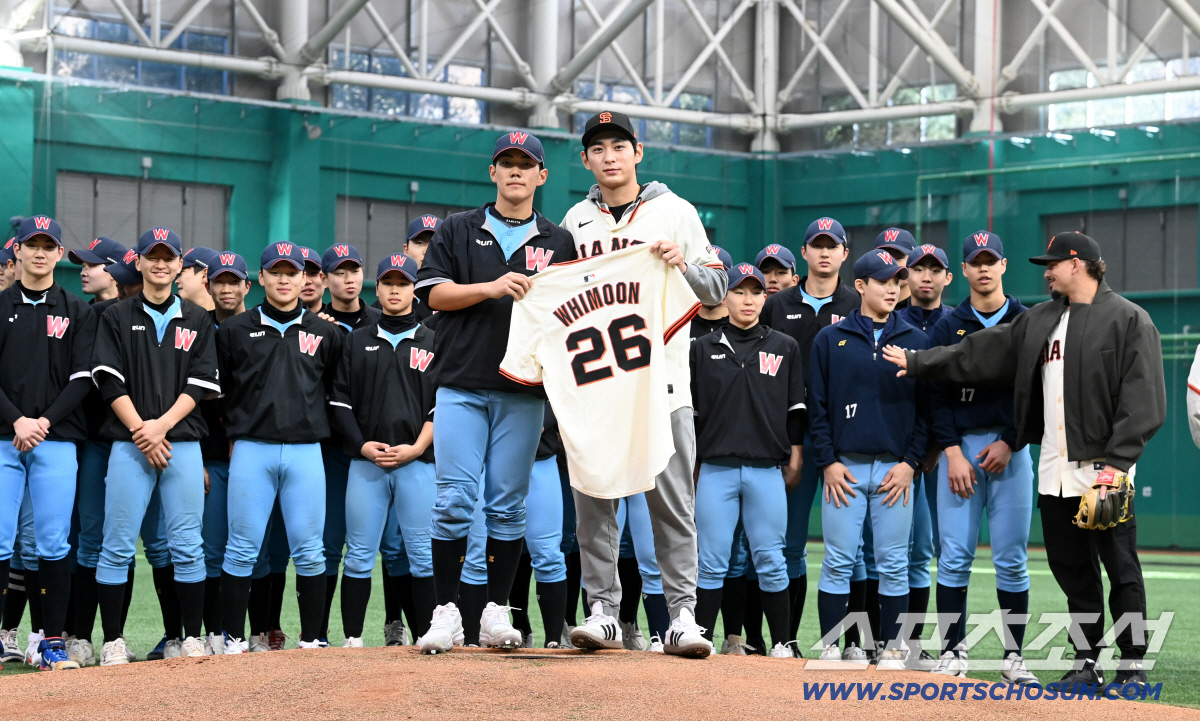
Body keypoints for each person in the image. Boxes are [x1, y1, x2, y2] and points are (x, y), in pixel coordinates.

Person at [883, 231, 1165, 690]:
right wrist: (920, 362)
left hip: (1105, 470)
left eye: (1053, 264)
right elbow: (980, 351)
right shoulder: (1041, 319)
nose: (1047, 272)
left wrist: (1116, 466)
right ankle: (1085, 662)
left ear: (1079, 264)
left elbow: (1145, 403)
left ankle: (1132, 664)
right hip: (1055, 471)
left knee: (1121, 569)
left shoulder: (1129, 319)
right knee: (1073, 572)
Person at [560, 111, 725, 658]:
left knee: (673, 503)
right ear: (585, 159)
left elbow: (717, 288)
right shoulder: (576, 219)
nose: (609, 156)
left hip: (664, 385)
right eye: (597, 148)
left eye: (618, 146)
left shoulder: (674, 211)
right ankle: (603, 611)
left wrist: (685, 266)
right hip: (598, 387)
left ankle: (682, 616)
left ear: (638, 152)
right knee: (594, 502)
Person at [414, 130, 576, 654]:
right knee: (453, 501)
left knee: (508, 507)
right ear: (493, 172)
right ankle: (445, 614)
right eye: (505, 163)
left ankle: (494, 613)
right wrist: (491, 286)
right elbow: (433, 292)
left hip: (523, 391)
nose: (515, 171)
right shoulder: (457, 229)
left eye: (525, 164)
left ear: (541, 176)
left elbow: (574, 313)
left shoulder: (559, 241)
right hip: (461, 384)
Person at [91, 227, 220, 665]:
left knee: (187, 544)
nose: (161, 264)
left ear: (180, 264)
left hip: (180, 443)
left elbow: (200, 384)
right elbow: (109, 379)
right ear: (140, 262)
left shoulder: (199, 318)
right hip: (130, 444)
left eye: (169, 257)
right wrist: (142, 431)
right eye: (153, 256)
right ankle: (112, 641)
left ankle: (190, 637)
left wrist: (159, 427)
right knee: (118, 543)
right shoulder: (115, 315)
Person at [915, 232, 1037, 685]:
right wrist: (951, 451)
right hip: (961, 451)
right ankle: (952, 651)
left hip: (1013, 452)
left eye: (991, 261)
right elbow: (936, 394)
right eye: (975, 262)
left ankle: (1014, 657)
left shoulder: (1027, 320)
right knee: (953, 557)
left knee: (1011, 558)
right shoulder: (950, 324)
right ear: (962, 271)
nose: (983, 269)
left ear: (1003, 266)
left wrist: (1011, 440)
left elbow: (1035, 393)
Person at [216, 242, 343, 654]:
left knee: (310, 550)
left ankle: (312, 639)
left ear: (305, 278)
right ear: (262, 278)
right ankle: (233, 639)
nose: (286, 279)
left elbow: (334, 393)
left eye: (293, 272)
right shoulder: (235, 330)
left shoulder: (325, 332)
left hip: (307, 451)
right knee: (242, 548)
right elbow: (219, 395)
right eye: (277, 271)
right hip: (252, 448)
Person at [809, 249, 929, 669]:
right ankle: (829, 646)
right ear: (860, 286)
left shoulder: (917, 340)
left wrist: (911, 463)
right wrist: (826, 461)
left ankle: (893, 649)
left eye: (898, 281)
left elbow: (927, 411)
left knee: (894, 563)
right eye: (883, 281)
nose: (893, 288)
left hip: (896, 470)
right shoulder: (830, 339)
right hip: (845, 467)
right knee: (839, 560)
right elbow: (817, 407)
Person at [691, 264, 805, 658]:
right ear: (724, 297)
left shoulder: (784, 345)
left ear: (765, 298)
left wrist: (796, 454)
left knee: (771, 560)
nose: (748, 299)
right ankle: (701, 637)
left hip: (765, 469)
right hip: (716, 469)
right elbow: (689, 414)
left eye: (756, 292)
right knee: (711, 561)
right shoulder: (700, 348)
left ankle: (783, 643)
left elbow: (796, 411)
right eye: (739, 292)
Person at [0, 216, 97, 671]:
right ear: (15, 251)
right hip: (4, 437)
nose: (39, 253)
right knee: (1, 541)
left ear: (60, 254)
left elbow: (83, 378)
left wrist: (40, 421)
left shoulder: (77, 311)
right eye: (31, 245)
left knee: (53, 543)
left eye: (48, 246)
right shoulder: (0, 307)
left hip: (56, 440)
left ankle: (51, 643)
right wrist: (17, 419)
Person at [759, 217, 859, 657]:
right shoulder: (775, 304)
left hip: (844, 439)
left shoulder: (858, 302)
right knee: (791, 543)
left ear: (844, 253)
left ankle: (853, 642)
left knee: (851, 547)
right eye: (815, 245)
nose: (823, 252)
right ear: (804, 253)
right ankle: (789, 639)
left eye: (831, 245)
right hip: (790, 439)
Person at [330, 254, 437, 647]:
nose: (395, 290)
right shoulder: (356, 340)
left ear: (414, 289)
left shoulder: (431, 338)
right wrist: (362, 445)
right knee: (358, 554)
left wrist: (417, 447)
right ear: (378, 287)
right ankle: (354, 640)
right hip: (367, 463)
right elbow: (339, 402)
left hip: (417, 462)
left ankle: (429, 636)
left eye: (403, 282)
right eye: (388, 283)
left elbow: (440, 405)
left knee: (422, 555)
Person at [67, 236, 131, 667]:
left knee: (123, 543)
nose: (84, 271)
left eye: (93, 264)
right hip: (93, 440)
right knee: (90, 539)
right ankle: (79, 635)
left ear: (114, 271)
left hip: (128, 442)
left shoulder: (129, 314)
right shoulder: (83, 314)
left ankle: (116, 637)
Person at [315, 242, 381, 643]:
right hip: (328, 448)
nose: (349, 278)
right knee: (328, 544)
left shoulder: (379, 321)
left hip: (369, 449)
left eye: (354, 270)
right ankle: (318, 633)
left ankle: (394, 628)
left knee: (390, 548)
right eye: (339, 271)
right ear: (324, 279)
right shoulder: (312, 325)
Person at [892, 243, 953, 664]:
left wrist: (935, 447)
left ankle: (912, 645)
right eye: (918, 269)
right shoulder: (893, 323)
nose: (926, 276)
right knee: (888, 551)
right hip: (902, 453)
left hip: (943, 450)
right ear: (906, 276)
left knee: (925, 552)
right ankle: (881, 640)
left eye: (935, 269)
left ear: (949, 277)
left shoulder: (955, 324)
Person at [197, 251, 256, 655]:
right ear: (208, 285)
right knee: (213, 548)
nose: (227, 288)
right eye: (220, 281)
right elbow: (197, 398)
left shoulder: (258, 328)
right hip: (214, 455)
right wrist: (196, 457)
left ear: (246, 286)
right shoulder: (198, 328)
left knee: (262, 551)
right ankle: (215, 631)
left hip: (254, 451)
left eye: (234, 281)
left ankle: (262, 631)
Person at [690, 246, 732, 342]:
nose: (710, 285)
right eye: (704, 277)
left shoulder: (741, 324)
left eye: (717, 278)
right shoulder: (680, 323)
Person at [69, 237, 123, 303]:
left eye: (91, 265)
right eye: (83, 266)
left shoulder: (131, 311)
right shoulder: (82, 312)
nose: (82, 273)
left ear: (113, 272)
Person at [874, 228, 917, 308]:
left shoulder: (928, 312)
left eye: (898, 258)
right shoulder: (860, 310)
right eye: (884, 257)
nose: (890, 263)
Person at [299, 246, 326, 313]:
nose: (307, 281)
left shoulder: (336, 322)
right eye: (301, 275)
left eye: (313, 273)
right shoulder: (271, 322)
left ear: (325, 279)